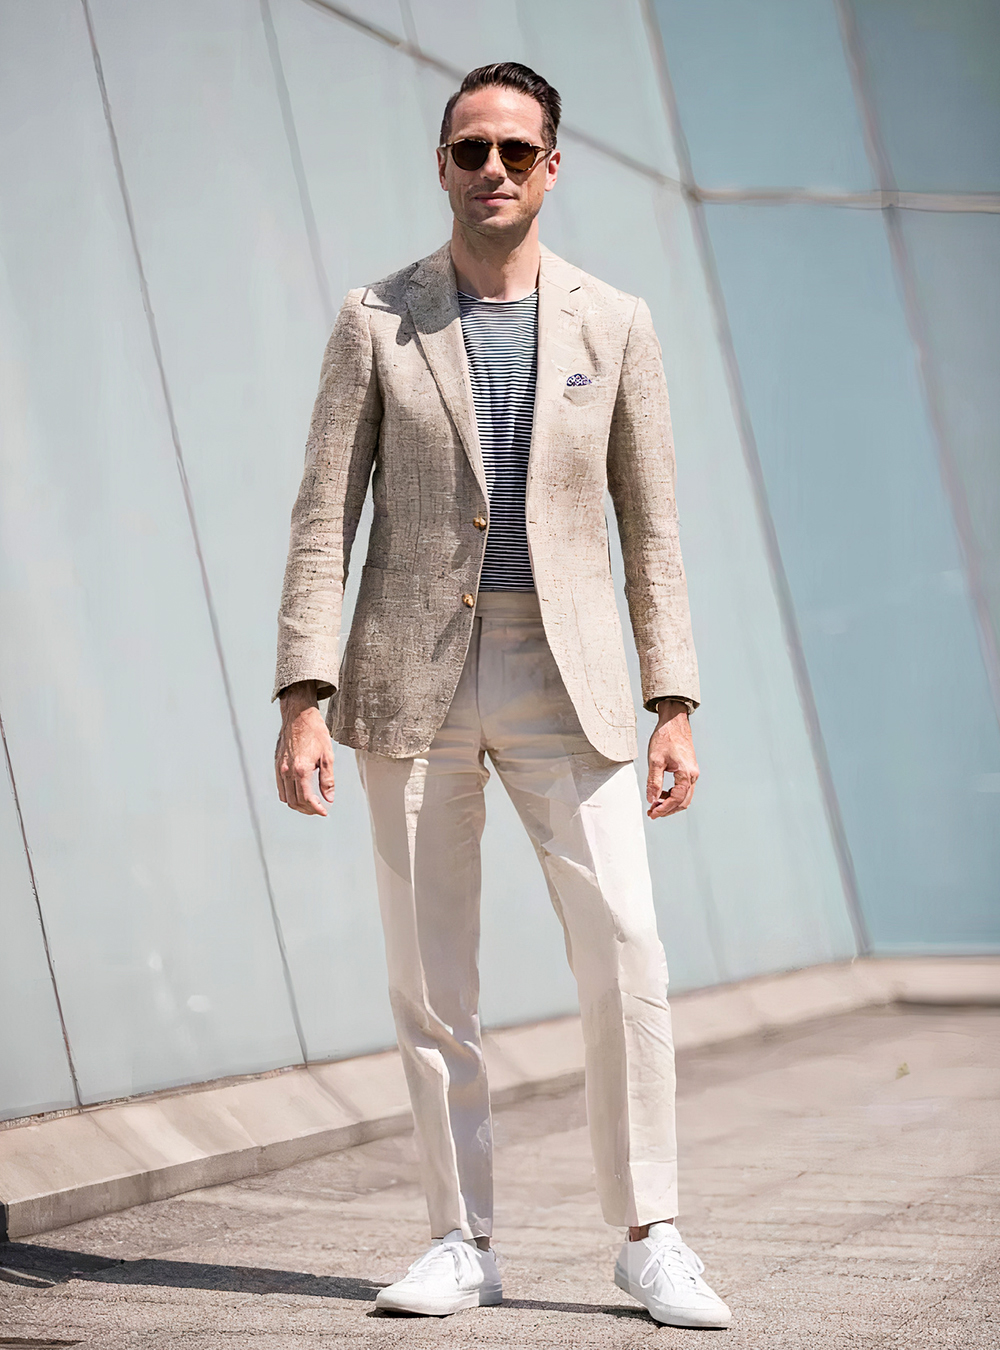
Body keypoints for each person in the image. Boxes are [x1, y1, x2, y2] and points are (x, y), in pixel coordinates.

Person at [273, 61, 730, 1330]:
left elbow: (654, 532)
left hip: (567, 681)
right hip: (407, 681)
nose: (492, 170)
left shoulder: (617, 322)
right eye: (470, 149)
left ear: (552, 167)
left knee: (626, 951)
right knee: (431, 977)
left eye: (515, 151)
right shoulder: (378, 318)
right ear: (441, 165)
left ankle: (649, 1236)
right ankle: (459, 1238)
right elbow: (325, 518)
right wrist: (302, 693)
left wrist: (673, 699)